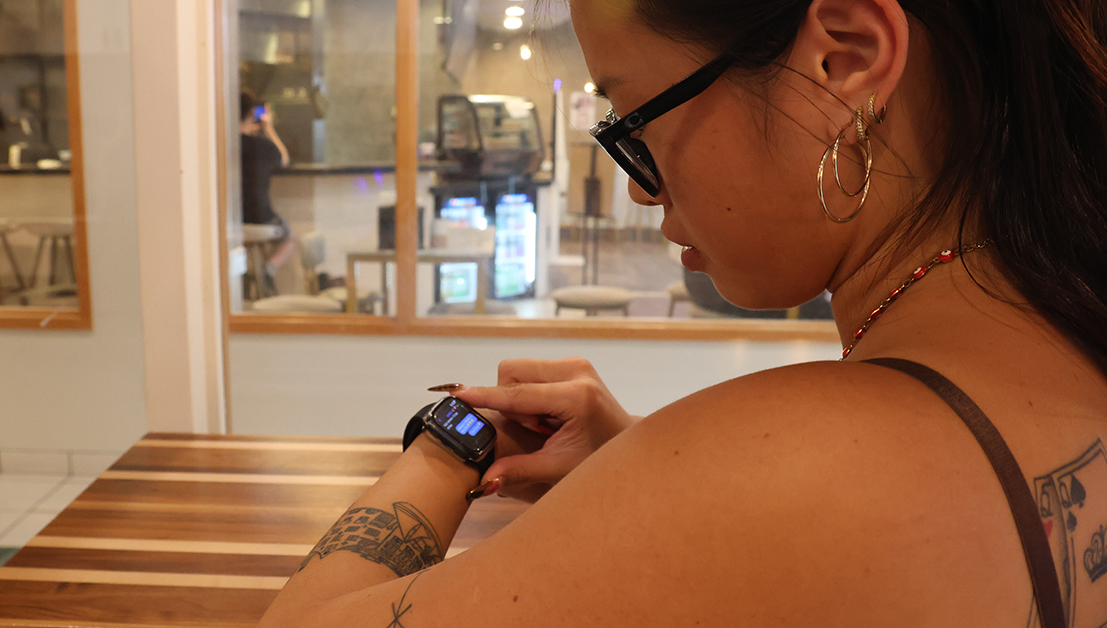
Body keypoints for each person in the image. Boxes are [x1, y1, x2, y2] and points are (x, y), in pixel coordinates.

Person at [259, 0, 1107, 626]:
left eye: (635, 116)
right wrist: (639, 462)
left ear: (843, 59)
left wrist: (452, 439)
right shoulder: (1064, 336)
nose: (636, 181)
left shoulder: (795, 468)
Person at [240, 90, 294, 289]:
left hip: (233, 221)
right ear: (251, 114)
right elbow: (284, 158)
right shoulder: (261, 146)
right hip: (262, 218)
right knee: (289, 237)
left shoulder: (225, 146)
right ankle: (268, 270)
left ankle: (244, 274)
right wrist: (268, 128)